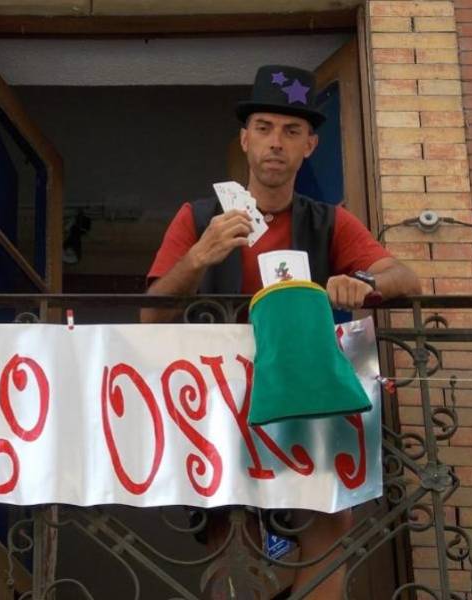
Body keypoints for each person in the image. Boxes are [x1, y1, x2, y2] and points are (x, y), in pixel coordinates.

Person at [142, 65, 421, 599]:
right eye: (264, 128)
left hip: (310, 402)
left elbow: (406, 278)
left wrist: (362, 282)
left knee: (328, 532)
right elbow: (150, 317)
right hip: (222, 407)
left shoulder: (329, 220)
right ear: (245, 140)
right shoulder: (199, 217)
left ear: (310, 145)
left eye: (292, 131)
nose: (276, 142)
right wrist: (199, 256)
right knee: (232, 545)